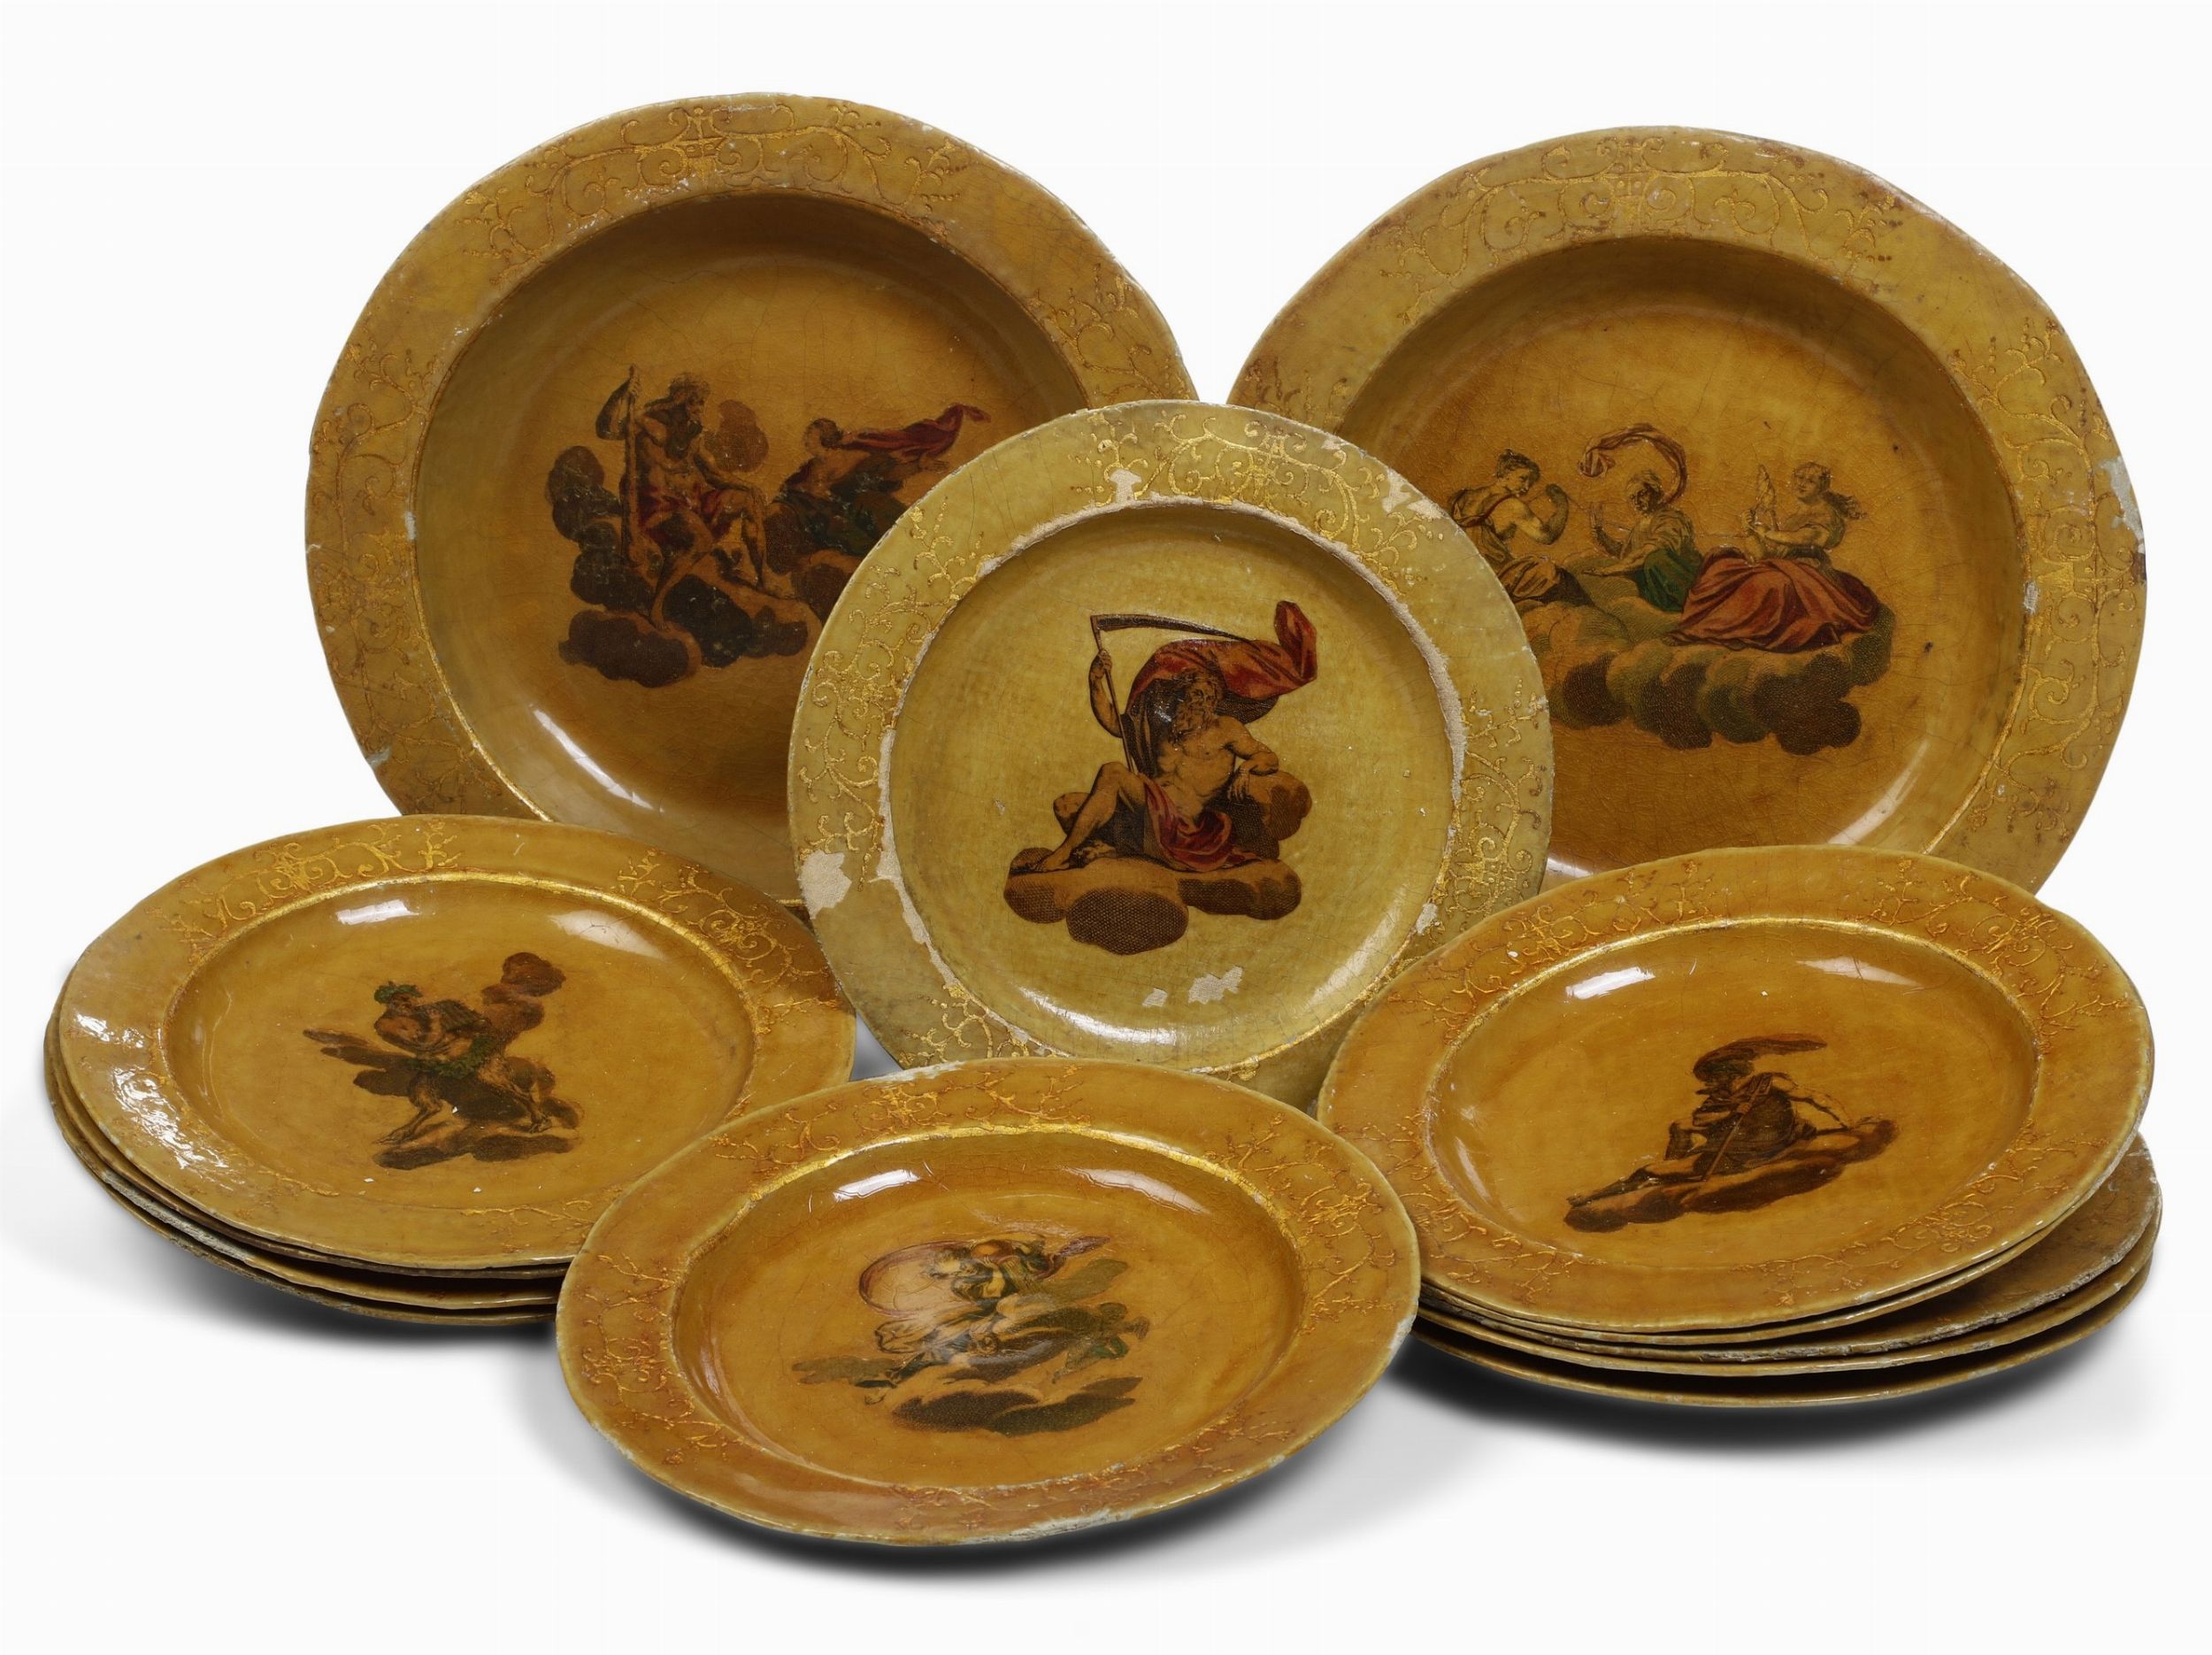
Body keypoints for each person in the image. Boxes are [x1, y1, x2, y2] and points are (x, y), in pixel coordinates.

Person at [1669, 463, 1883, 650]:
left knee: (1772, 584)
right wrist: (1749, 530)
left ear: (1822, 487)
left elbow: (1804, 538)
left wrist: (1767, 532)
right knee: (1723, 567)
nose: (1802, 483)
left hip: (1809, 574)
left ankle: (1729, 631)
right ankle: (1712, 629)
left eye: (1810, 481)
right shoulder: (1793, 517)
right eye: (1799, 477)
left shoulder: (1827, 515)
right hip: (1784, 568)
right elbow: (1765, 556)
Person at [1447, 451, 1589, 610]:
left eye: (1531, 483)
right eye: (1523, 478)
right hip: (1495, 577)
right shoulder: (1513, 506)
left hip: (1463, 574)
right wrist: (1562, 506)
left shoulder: (1460, 498)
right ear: (1506, 474)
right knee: (1553, 575)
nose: (1527, 487)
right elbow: (1547, 536)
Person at [1586, 472, 1705, 611]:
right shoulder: (1640, 527)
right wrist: (1599, 532)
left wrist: (1608, 571)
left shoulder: (1671, 518)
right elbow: (1624, 553)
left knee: (1656, 558)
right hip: (1656, 589)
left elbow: (1648, 552)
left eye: (1642, 494)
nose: (1636, 501)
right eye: (1632, 498)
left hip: (1686, 585)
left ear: (1656, 493)